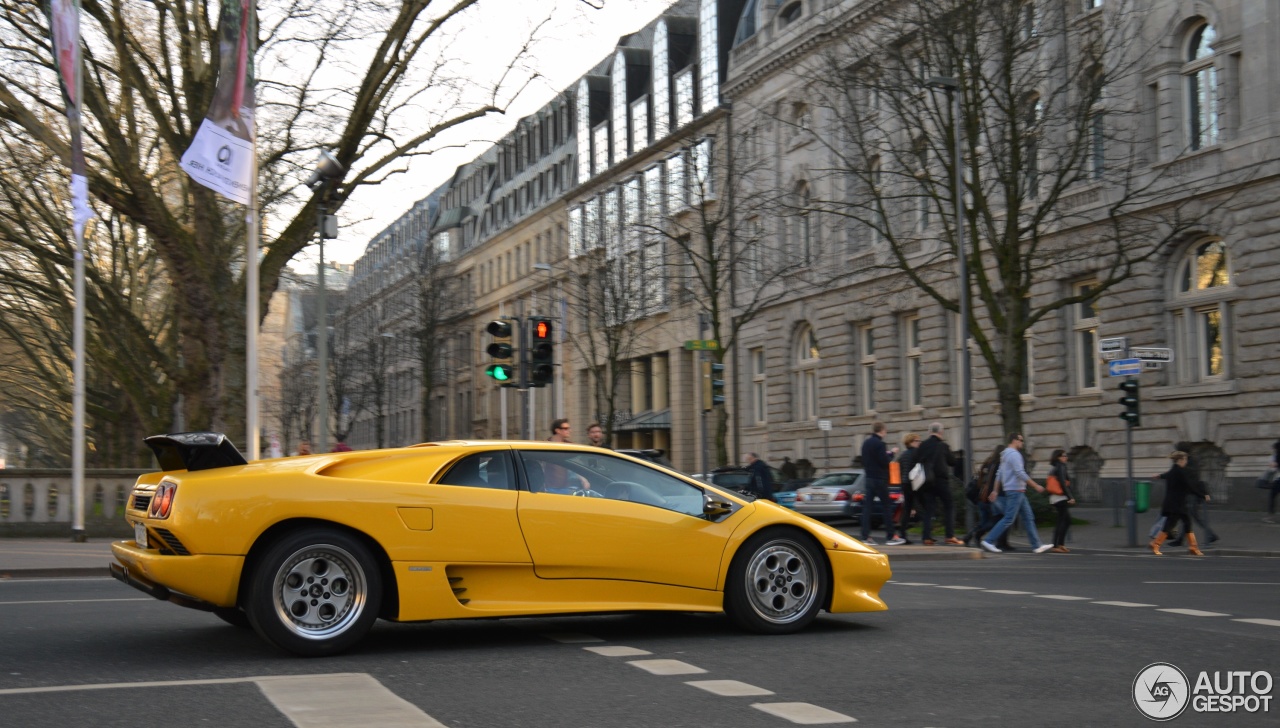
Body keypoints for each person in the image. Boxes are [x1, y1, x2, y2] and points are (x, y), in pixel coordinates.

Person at [981, 433, 1053, 554]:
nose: (1022, 443)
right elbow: (1020, 473)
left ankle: (1036, 545)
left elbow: (999, 473)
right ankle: (988, 541)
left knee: (1028, 517)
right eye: (1021, 440)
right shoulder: (1014, 455)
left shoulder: (1004, 454)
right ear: (1014, 440)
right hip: (1015, 490)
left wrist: (995, 490)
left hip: (1016, 490)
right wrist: (1035, 486)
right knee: (1009, 518)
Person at [1150, 451, 1209, 555]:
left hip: (1177, 503)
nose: (1186, 461)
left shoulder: (1174, 469)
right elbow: (1190, 487)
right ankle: (1156, 544)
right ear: (1181, 460)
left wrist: (1159, 476)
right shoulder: (1181, 472)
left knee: (1187, 523)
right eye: (1185, 459)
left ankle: (1193, 547)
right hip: (1176, 504)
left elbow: (1167, 475)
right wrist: (1203, 495)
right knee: (1170, 525)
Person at [915, 422, 962, 545]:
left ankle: (926, 537)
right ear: (940, 432)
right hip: (941, 481)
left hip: (926, 481)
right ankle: (950, 535)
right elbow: (952, 462)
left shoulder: (922, 445)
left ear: (930, 432)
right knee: (949, 505)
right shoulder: (943, 446)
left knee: (929, 509)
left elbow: (917, 460)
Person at [1169, 441, 1217, 545]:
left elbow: (1190, 477)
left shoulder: (1190, 462)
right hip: (1188, 493)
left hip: (1192, 494)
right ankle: (1180, 540)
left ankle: (1211, 534)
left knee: (1194, 516)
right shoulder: (1187, 461)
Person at [859, 422, 899, 546]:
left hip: (869, 478)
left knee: (867, 508)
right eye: (885, 431)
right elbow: (884, 461)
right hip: (880, 479)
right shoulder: (880, 444)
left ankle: (865, 536)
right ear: (882, 430)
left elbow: (866, 460)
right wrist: (891, 453)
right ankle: (890, 536)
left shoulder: (866, 443)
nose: (885, 433)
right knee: (886, 507)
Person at [964, 445, 1007, 547]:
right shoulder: (998, 465)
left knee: (984, 521)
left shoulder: (987, 462)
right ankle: (979, 535)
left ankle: (970, 536)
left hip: (981, 497)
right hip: (990, 497)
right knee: (997, 520)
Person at [891, 433, 922, 545]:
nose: (919, 442)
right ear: (911, 442)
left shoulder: (903, 455)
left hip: (904, 484)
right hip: (915, 484)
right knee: (923, 508)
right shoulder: (917, 453)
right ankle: (926, 534)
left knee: (907, 510)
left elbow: (896, 468)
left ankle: (903, 534)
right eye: (917, 440)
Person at [1047, 449, 1077, 553]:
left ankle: (1060, 544)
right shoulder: (1060, 466)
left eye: (1066, 456)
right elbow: (1063, 484)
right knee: (1062, 521)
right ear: (1058, 457)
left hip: (1056, 497)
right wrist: (1070, 497)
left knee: (1066, 521)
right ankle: (1056, 545)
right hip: (1060, 497)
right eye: (1063, 456)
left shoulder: (1056, 466)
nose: (1066, 457)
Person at [1266, 439, 1280, 524]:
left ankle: (1270, 516)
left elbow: (1273, 465)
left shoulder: (1277, 455)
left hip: (1278, 479)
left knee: (1272, 496)